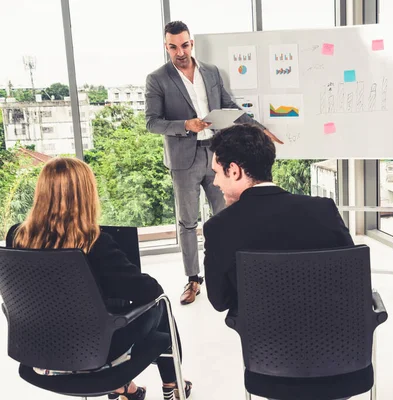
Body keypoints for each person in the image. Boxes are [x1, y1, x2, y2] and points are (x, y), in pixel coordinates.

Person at [5, 158, 192, 400]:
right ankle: (173, 384)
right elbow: (149, 291)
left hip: (37, 349)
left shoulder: (17, 237)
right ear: (85, 195)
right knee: (161, 306)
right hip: (93, 351)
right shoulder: (94, 242)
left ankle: (126, 389)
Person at [145, 21, 283, 305]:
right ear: (166, 46)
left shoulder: (211, 72)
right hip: (183, 158)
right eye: (173, 47)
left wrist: (258, 128)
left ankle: (229, 273)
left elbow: (230, 108)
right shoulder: (157, 79)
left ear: (191, 43)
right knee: (187, 221)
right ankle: (193, 279)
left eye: (184, 45)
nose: (180, 52)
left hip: (217, 154)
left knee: (225, 216)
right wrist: (186, 124)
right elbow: (152, 123)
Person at [202, 123, 354, 314]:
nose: (215, 182)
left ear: (234, 171)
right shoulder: (324, 209)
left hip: (266, 341)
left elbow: (220, 301)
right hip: (337, 337)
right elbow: (353, 276)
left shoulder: (218, 228)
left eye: (216, 172)